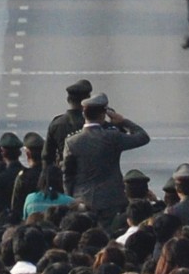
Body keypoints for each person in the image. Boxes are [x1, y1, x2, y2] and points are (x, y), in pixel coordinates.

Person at [62, 93, 150, 226]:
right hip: (111, 199)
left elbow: (67, 174)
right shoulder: (112, 137)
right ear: (103, 114)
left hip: (82, 199)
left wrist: (71, 198)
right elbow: (143, 137)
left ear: (84, 114)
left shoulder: (72, 142)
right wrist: (123, 121)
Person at [43, 79, 92, 167]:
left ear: (68, 100)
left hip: (64, 172)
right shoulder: (93, 123)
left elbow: (47, 156)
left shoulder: (56, 124)